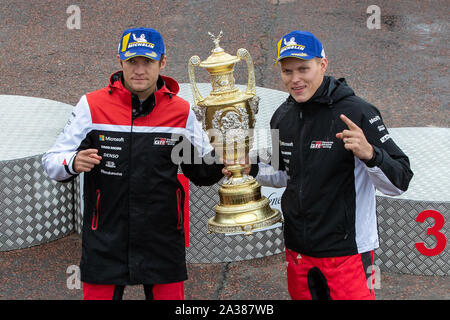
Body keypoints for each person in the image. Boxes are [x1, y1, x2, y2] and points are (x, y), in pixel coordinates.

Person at [227, 30, 413, 300]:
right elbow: (284, 173)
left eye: (304, 69)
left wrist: (370, 154)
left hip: (346, 252)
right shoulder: (282, 115)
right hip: (298, 251)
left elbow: (400, 181)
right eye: (288, 71)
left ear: (322, 65)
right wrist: (251, 168)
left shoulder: (358, 112)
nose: (295, 79)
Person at [42, 27, 223, 300]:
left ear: (162, 62)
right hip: (105, 236)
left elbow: (203, 171)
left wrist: (229, 156)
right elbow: (51, 163)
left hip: (161, 239)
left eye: (148, 62)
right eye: (132, 62)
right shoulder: (91, 106)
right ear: (120, 61)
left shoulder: (180, 111)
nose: (140, 70)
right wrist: (72, 161)